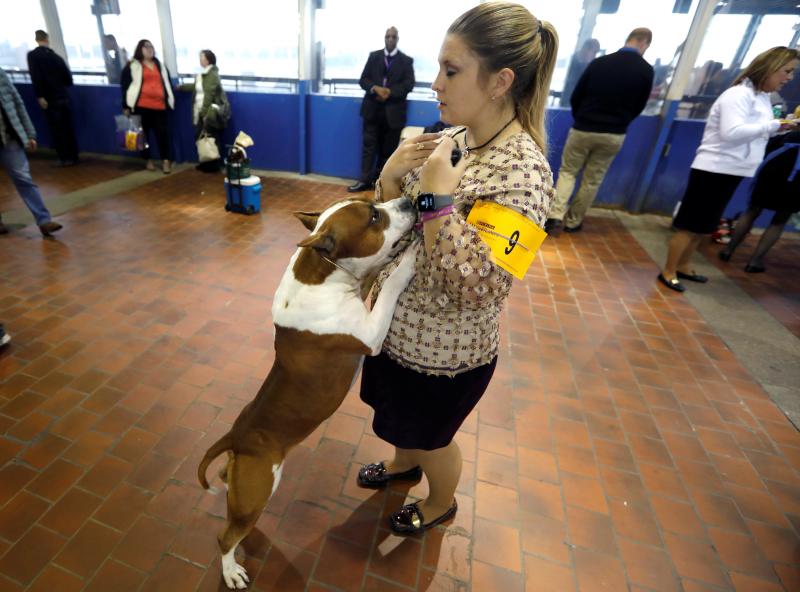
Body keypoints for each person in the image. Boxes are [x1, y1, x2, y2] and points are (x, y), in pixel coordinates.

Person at [356, 2, 557, 533]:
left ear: (500, 81)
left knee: (432, 438)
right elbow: (399, 228)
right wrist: (391, 181)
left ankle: (440, 499)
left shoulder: (525, 174)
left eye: (451, 70)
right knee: (401, 426)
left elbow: (481, 288)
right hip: (398, 331)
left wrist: (438, 201)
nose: (436, 83)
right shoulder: (457, 137)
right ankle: (403, 466)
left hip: (446, 354)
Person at [659, 47, 799, 292]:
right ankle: (668, 271)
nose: (789, 78)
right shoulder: (738, 95)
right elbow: (731, 132)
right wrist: (775, 125)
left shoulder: (761, 97)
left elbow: (758, 130)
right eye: (786, 71)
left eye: (792, 73)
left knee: (704, 225)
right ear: (770, 67)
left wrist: (781, 127)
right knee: (690, 224)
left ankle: (683, 265)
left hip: (733, 170)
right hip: (713, 169)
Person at [545, 28, 654, 235]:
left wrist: (582, 117)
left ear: (629, 39)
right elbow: (640, 105)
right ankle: (573, 222)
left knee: (568, 172)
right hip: (614, 133)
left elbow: (577, 96)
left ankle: (554, 216)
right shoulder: (646, 70)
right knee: (592, 180)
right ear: (644, 43)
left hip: (583, 128)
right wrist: (621, 122)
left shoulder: (600, 63)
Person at [718, 128, 800, 272]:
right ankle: (754, 262)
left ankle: (728, 251)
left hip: (769, 177)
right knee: (779, 221)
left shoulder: (784, 137)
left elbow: (764, 150)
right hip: (795, 183)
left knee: (751, 212)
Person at [347, 27, 415, 193]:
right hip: (372, 111)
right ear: (384, 38)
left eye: (393, 37)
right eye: (387, 36)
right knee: (368, 149)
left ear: (397, 39)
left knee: (388, 152)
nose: (390, 39)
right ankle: (364, 181)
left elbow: (408, 84)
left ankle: (382, 183)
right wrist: (375, 88)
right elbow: (363, 80)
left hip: (393, 114)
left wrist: (390, 92)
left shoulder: (406, 61)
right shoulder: (374, 56)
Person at [0, 68, 63, 237]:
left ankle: (44, 221)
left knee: (24, 178)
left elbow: (17, 102)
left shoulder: (1, 74)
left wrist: (29, 133)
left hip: (9, 137)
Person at [121, 39, 175, 174]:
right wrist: (126, 106)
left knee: (162, 135)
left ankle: (166, 161)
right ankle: (148, 160)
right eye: (146, 47)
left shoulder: (160, 65)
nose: (149, 49)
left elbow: (167, 83)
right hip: (140, 106)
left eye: (151, 47)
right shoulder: (132, 66)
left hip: (159, 106)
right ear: (140, 49)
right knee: (141, 136)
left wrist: (170, 99)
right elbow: (125, 86)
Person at [26, 29, 79, 166]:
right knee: (68, 128)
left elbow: (35, 77)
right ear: (47, 39)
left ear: (36, 39)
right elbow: (68, 79)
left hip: (50, 99)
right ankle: (74, 156)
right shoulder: (56, 57)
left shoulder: (33, 56)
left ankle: (64, 158)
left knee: (57, 129)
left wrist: (40, 96)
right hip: (63, 96)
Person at [178, 49, 229, 172]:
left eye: (202, 57)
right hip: (200, 109)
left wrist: (204, 112)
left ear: (208, 59)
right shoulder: (203, 74)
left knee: (211, 137)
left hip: (208, 111)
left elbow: (209, 95)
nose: (200, 60)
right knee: (202, 137)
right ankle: (206, 162)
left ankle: (213, 164)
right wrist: (181, 87)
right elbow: (197, 88)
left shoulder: (211, 75)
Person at [560, 38, 600, 107]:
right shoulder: (571, 61)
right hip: (567, 101)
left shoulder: (590, 65)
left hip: (579, 103)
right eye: (594, 52)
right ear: (585, 48)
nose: (594, 56)